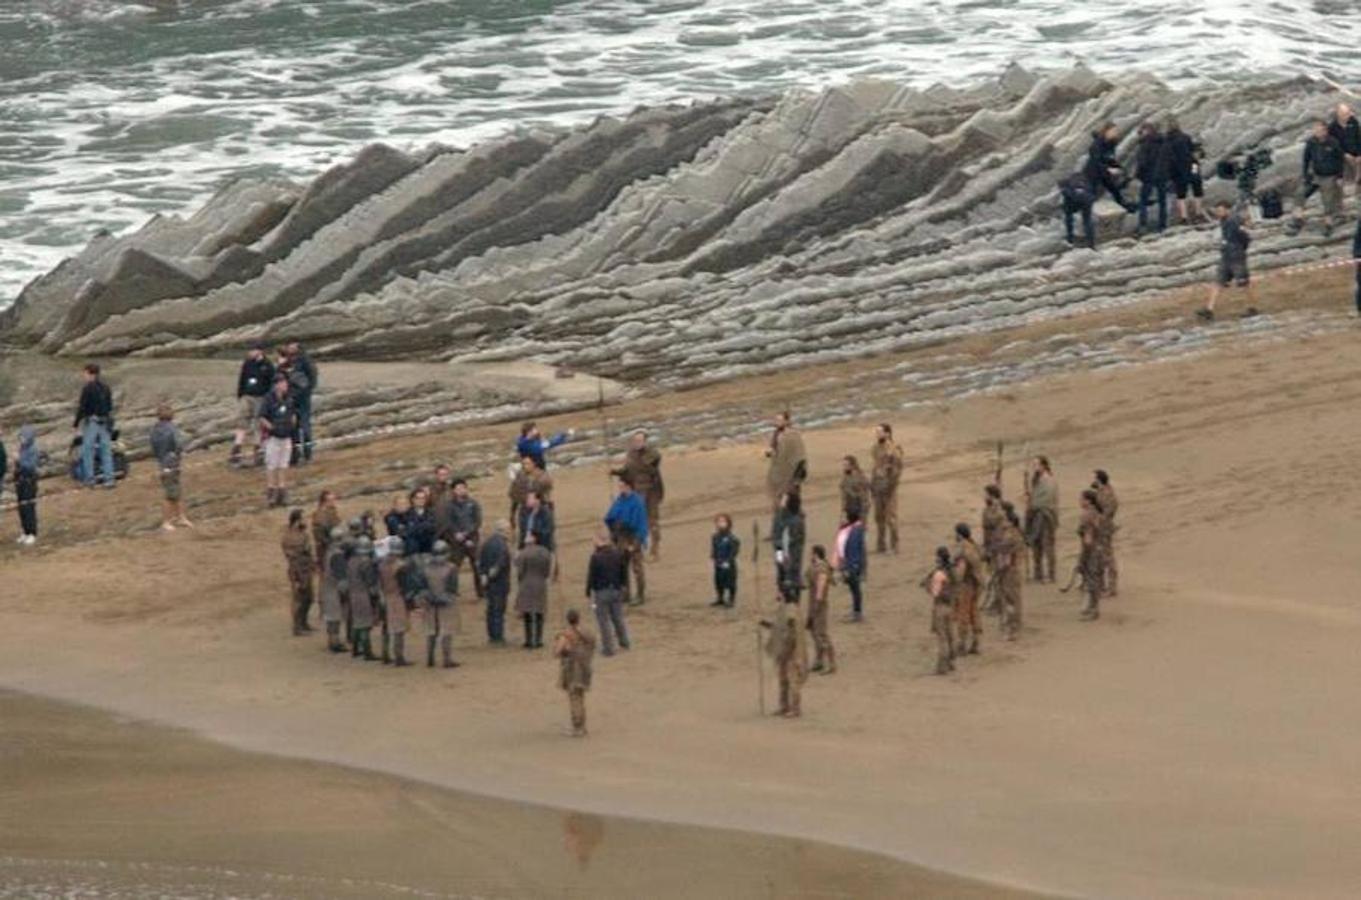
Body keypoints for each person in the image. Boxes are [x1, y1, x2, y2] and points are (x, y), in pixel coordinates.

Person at [1289, 120, 1346, 237]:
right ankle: (1297, 219)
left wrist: (1340, 176)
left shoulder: (1333, 142)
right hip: (1315, 174)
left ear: (1325, 130)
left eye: (1319, 130)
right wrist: (1305, 175)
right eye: (1315, 130)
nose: (1317, 132)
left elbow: (1340, 160)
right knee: (1300, 194)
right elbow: (1306, 159)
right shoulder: (1311, 142)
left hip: (1330, 175)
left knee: (1328, 200)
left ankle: (1328, 224)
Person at [1199, 201, 1253, 321]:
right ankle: (1209, 309)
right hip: (1227, 255)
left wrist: (1239, 248)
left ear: (1227, 209)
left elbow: (1245, 236)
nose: (1218, 212)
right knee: (1219, 282)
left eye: (1220, 210)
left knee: (1242, 283)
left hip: (1236, 255)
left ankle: (1250, 307)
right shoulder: (1225, 221)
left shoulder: (1234, 221)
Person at [616, 430, 664, 560]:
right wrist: (617, 472)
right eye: (635, 440)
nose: (637, 443)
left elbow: (645, 464)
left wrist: (634, 459)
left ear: (645, 441)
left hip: (651, 491)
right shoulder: (631, 454)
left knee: (652, 521)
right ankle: (639, 549)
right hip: (637, 491)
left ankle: (655, 550)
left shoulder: (652, 453)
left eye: (640, 440)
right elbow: (628, 471)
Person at [760, 590, 807, 718]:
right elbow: (780, 628)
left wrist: (787, 652)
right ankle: (784, 706)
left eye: (780, 593)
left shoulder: (791, 612)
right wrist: (766, 624)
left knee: (792, 680)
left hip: (791, 652)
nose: (777, 596)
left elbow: (792, 634)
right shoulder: (784, 609)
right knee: (783, 679)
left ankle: (795, 709)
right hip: (784, 651)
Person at [604, 474, 650, 606]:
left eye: (622, 486)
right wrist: (614, 530)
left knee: (637, 568)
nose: (620, 488)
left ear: (628, 486)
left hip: (633, 537)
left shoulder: (637, 502)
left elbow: (641, 524)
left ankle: (640, 595)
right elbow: (611, 516)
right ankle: (625, 593)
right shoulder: (619, 500)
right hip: (621, 538)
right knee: (622, 567)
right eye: (619, 486)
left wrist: (636, 543)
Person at [585, 529, 630, 656]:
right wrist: (623, 586)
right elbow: (623, 571)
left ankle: (608, 648)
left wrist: (588, 591)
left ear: (599, 540)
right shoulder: (617, 554)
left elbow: (591, 576)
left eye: (594, 539)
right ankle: (624, 641)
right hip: (616, 589)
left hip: (602, 592)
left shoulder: (596, 557)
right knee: (618, 618)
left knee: (603, 621)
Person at [553, 608, 596, 738]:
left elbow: (557, 652)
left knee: (575, 697)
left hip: (572, 669)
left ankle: (578, 727)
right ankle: (582, 726)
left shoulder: (566, 634)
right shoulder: (588, 633)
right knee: (580, 696)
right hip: (585, 668)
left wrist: (564, 648)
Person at [149, 403, 192, 532]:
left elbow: (153, 447)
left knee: (176, 491)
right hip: (171, 463)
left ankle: (180, 517)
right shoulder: (172, 429)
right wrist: (179, 452)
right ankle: (166, 521)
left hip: (162, 462)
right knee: (170, 493)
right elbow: (179, 444)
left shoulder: (154, 430)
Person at [231, 343, 273, 468]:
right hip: (247, 395)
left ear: (260, 351)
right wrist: (241, 394)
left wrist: (268, 400)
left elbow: (271, 383)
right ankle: (237, 447)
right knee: (241, 421)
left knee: (258, 424)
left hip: (261, 397)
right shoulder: (247, 363)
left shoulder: (268, 365)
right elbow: (242, 379)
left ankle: (258, 449)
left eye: (253, 350)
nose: (250, 353)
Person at [74, 363, 116, 489]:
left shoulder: (87, 388)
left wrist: (76, 423)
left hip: (92, 421)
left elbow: (82, 407)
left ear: (90, 373)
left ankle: (90, 479)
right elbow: (109, 406)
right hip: (105, 421)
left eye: (85, 373)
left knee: (87, 450)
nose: (84, 376)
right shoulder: (106, 387)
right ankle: (109, 479)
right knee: (106, 450)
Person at [257, 374, 297, 507]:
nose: (285, 386)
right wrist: (271, 427)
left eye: (286, 383)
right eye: (283, 383)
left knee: (283, 464)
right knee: (272, 465)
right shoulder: (268, 399)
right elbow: (262, 416)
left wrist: (292, 424)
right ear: (277, 385)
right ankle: (271, 490)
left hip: (286, 435)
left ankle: (282, 489)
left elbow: (292, 413)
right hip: (273, 437)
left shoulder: (289, 398)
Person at [422, 540, 461, 669]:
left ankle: (430, 658)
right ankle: (446, 659)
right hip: (446, 601)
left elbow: (423, 586)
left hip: (430, 600)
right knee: (446, 631)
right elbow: (453, 588)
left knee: (431, 630)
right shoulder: (451, 568)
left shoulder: (426, 567)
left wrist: (430, 596)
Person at [1084, 122, 1137, 213]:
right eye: (1113, 131)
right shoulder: (1097, 144)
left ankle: (1124, 206)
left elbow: (1110, 158)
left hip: (1104, 172)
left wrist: (1119, 168)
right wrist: (1109, 169)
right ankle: (1087, 215)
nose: (1115, 133)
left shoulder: (1111, 144)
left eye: (1116, 131)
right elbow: (1096, 161)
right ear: (1106, 131)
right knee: (1091, 194)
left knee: (1114, 189)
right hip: (1093, 173)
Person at [376, 537, 413, 666]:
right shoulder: (400, 566)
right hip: (397, 598)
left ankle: (385, 654)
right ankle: (399, 657)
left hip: (384, 597)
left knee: (386, 627)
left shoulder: (381, 564)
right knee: (399, 629)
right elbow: (405, 586)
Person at [445, 479, 483, 599]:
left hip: (472, 539)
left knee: (477, 566)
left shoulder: (473, 503)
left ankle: (481, 592)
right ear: (453, 491)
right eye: (458, 488)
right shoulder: (449, 506)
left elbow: (477, 521)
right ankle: (451, 591)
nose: (461, 491)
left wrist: (466, 534)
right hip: (456, 541)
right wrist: (456, 533)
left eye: (463, 488)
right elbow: (449, 522)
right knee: (453, 567)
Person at [869, 423, 904, 554]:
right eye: (876, 432)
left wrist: (892, 485)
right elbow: (875, 467)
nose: (877, 434)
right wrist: (872, 485)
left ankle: (895, 545)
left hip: (889, 487)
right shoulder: (875, 448)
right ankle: (881, 544)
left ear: (887, 433)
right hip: (878, 487)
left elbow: (897, 469)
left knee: (891, 518)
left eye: (880, 432)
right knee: (879, 517)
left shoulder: (894, 449)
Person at [1164, 119, 1206, 225]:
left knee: (1181, 195)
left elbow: (1168, 158)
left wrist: (1170, 173)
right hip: (1192, 166)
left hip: (1178, 171)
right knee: (1197, 189)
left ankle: (1184, 217)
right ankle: (1199, 214)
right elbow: (1193, 152)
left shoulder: (1167, 141)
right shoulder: (1185, 137)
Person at [1024, 456, 1058, 583]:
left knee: (1047, 545)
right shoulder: (1036, 479)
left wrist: (1031, 502)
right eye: (1033, 465)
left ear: (1043, 465)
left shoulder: (1048, 481)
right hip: (1036, 515)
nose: (1034, 467)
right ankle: (1038, 573)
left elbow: (1046, 499)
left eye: (1036, 464)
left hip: (1046, 516)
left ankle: (1051, 574)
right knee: (1036, 545)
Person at [516, 531, 553, 649]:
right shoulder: (545, 552)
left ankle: (528, 640)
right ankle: (538, 640)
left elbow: (520, 572)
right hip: (540, 583)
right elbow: (547, 571)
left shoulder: (523, 553)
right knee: (539, 613)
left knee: (527, 613)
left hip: (526, 584)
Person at [282, 340, 317, 464]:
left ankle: (308, 453)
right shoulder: (286, 361)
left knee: (304, 425)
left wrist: (306, 391)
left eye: (292, 346)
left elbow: (312, 378)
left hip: (303, 398)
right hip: (290, 398)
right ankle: (294, 455)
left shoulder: (305, 361)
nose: (289, 348)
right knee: (292, 427)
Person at [765, 411, 807, 512]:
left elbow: (800, 458)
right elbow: (775, 450)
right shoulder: (776, 434)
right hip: (778, 476)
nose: (777, 422)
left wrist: (796, 480)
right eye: (776, 420)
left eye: (780, 420)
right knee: (777, 506)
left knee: (792, 506)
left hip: (791, 476)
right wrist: (770, 453)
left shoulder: (793, 435)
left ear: (787, 421)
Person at [281, 509, 315, 636]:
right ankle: (297, 626)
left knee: (309, 598)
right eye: (303, 518)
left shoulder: (302, 533)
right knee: (298, 599)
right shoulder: (290, 536)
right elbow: (293, 554)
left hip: (306, 569)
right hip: (297, 570)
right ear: (297, 521)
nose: (305, 521)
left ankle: (303, 622)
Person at [479, 520, 513, 645]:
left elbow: (481, 560)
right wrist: (493, 573)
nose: (510, 532)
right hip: (500, 582)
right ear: (503, 531)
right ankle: (498, 637)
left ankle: (492, 635)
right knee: (498, 610)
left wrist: (483, 575)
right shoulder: (502, 545)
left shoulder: (487, 543)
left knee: (491, 609)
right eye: (508, 529)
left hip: (489, 582)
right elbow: (501, 562)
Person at [952, 523, 983, 656]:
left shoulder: (963, 548)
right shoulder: (974, 546)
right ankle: (976, 643)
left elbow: (960, 572)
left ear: (959, 534)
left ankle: (962, 645)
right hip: (977, 584)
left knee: (963, 614)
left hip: (966, 585)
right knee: (974, 612)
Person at [1134, 122, 1171, 234]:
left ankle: (1143, 225)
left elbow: (1142, 162)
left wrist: (1137, 175)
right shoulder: (1164, 142)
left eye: (1141, 132)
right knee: (1162, 201)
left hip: (1148, 176)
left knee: (1143, 201)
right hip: (1162, 175)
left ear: (1146, 131)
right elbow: (1170, 159)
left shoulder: (1145, 144)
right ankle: (1163, 225)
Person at [996, 503, 1025, 640]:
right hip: (1015, 570)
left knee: (1009, 600)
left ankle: (1011, 630)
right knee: (1015, 599)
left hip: (1009, 571)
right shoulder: (1017, 533)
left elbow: (1005, 557)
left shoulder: (1009, 536)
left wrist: (1000, 569)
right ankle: (1016, 626)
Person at [925, 546, 956, 675]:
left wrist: (928, 584)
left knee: (942, 637)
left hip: (940, 607)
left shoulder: (938, 574)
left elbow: (934, 592)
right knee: (950, 636)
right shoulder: (951, 571)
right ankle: (951, 662)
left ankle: (942, 666)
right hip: (950, 606)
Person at [319, 525, 350, 653]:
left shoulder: (329, 551)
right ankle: (334, 642)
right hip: (334, 589)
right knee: (335, 617)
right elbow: (341, 579)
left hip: (327, 587)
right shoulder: (337, 555)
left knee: (331, 617)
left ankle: (332, 641)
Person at [806, 545, 836, 675]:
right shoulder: (815, 567)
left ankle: (831, 663)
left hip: (819, 604)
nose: (810, 556)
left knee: (821, 634)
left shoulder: (822, 568)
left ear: (816, 554)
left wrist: (817, 603)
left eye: (811, 553)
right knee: (814, 632)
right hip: (813, 604)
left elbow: (821, 586)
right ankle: (819, 661)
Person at [771, 490, 806, 601]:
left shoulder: (796, 519)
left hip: (791, 552)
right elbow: (775, 531)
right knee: (780, 569)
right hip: (780, 550)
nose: (781, 502)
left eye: (784, 500)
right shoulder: (780, 515)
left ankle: (793, 594)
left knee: (791, 572)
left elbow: (795, 539)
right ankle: (782, 591)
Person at [1077, 490, 1106, 620]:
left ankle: (1094, 610)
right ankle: (1092, 608)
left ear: (1088, 501)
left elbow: (1088, 538)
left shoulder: (1087, 515)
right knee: (1094, 579)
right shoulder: (1096, 513)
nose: (1079, 501)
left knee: (1091, 580)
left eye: (1081, 499)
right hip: (1099, 549)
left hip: (1091, 551)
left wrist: (1083, 557)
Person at [836, 512, 867, 623]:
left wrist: (848, 568)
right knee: (855, 590)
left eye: (844, 517)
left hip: (851, 566)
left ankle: (857, 613)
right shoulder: (855, 530)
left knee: (855, 589)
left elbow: (852, 551)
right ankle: (856, 611)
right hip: (853, 565)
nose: (842, 519)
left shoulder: (852, 532)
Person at [1093, 469, 1119, 597]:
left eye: (1095, 478)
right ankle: (1101, 585)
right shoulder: (1101, 491)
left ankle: (1111, 587)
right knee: (1100, 556)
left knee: (1108, 557)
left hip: (1104, 528)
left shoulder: (1108, 493)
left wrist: (1100, 519)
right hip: (1100, 527)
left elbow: (1109, 510)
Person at [13, 426, 40, 546]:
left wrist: (19, 460)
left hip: (29, 482)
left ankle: (32, 532)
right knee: (22, 508)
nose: (21, 439)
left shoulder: (33, 450)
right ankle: (25, 531)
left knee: (29, 508)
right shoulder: (22, 448)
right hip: (20, 481)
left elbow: (30, 467)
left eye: (23, 437)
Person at [710, 513, 741, 608]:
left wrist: (728, 561)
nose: (721, 524)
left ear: (728, 523)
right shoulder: (715, 537)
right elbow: (714, 549)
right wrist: (714, 557)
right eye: (719, 522)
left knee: (730, 582)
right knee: (718, 581)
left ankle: (731, 600)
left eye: (723, 521)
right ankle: (720, 598)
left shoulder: (733, 538)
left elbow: (734, 551)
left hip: (729, 564)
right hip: (718, 562)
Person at [1058, 171, 1096, 249]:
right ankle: (1091, 243)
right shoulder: (1085, 182)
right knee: (1087, 221)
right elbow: (1092, 192)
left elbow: (1067, 198)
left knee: (1068, 218)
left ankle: (1070, 239)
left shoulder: (1065, 187)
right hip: (1087, 200)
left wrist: (1065, 207)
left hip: (1074, 201)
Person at [1330, 103, 1361, 190]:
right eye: (1344, 114)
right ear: (1338, 114)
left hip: (1355, 151)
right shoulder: (1333, 127)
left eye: (1348, 113)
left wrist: (1359, 154)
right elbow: (1334, 145)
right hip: (1343, 153)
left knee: (1358, 161)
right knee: (1348, 161)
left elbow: (1358, 138)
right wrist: (1344, 154)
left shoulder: (1353, 122)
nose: (1347, 116)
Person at [311, 490, 341, 570]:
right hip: (326, 549)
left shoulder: (331, 512)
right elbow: (321, 536)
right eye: (332, 500)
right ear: (325, 502)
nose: (335, 502)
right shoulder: (320, 516)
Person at [403, 486, 437, 556]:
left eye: (423, 498)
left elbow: (432, 527)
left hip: (428, 540)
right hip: (413, 543)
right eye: (418, 498)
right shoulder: (407, 514)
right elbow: (409, 530)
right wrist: (423, 526)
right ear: (413, 499)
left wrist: (418, 526)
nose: (421, 500)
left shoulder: (430, 512)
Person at [839, 455, 870, 522]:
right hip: (849, 510)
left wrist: (863, 514)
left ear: (852, 465)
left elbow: (864, 496)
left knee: (856, 531)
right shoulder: (845, 477)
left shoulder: (860, 477)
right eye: (843, 465)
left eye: (846, 465)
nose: (844, 467)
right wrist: (843, 511)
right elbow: (844, 497)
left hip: (858, 510)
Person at [981, 483, 1005, 564]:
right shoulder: (989, 508)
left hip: (996, 543)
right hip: (990, 542)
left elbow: (993, 522)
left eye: (986, 495)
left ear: (992, 496)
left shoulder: (999, 508)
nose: (984, 497)